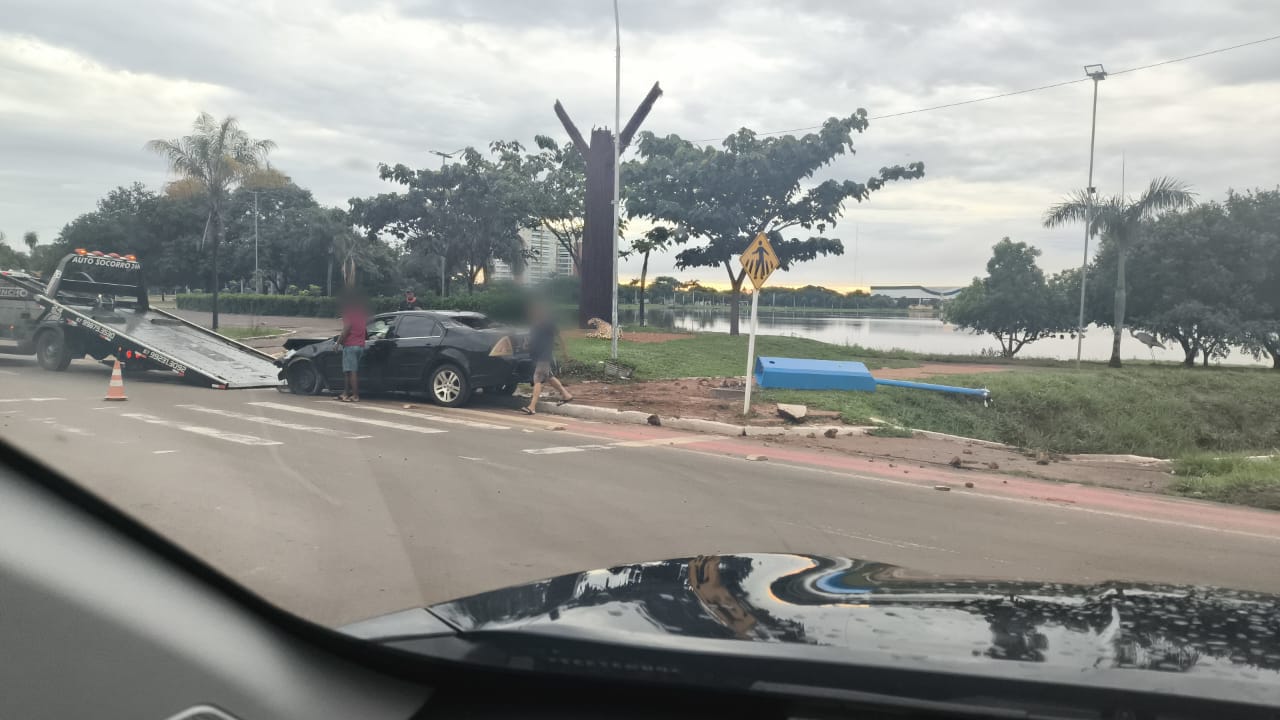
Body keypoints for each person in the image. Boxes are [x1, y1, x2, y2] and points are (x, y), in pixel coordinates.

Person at [520, 301, 574, 415]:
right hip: (536, 355)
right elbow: (531, 340)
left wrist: (565, 352)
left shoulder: (549, 324)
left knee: (537, 378)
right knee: (549, 377)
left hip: (544, 356)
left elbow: (560, 337)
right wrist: (526, 345)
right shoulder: (534, 325)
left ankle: (532, 407)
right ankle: (566, 395)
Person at [337, 292, 367, 402]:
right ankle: (345, 393)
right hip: (360, 345)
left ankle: (355, 395)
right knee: (348, 371)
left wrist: (338, 343)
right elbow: (365, 331)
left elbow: (346, 329)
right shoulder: (361, 314)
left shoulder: (348, 313)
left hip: (350, 345)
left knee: (352, 371)